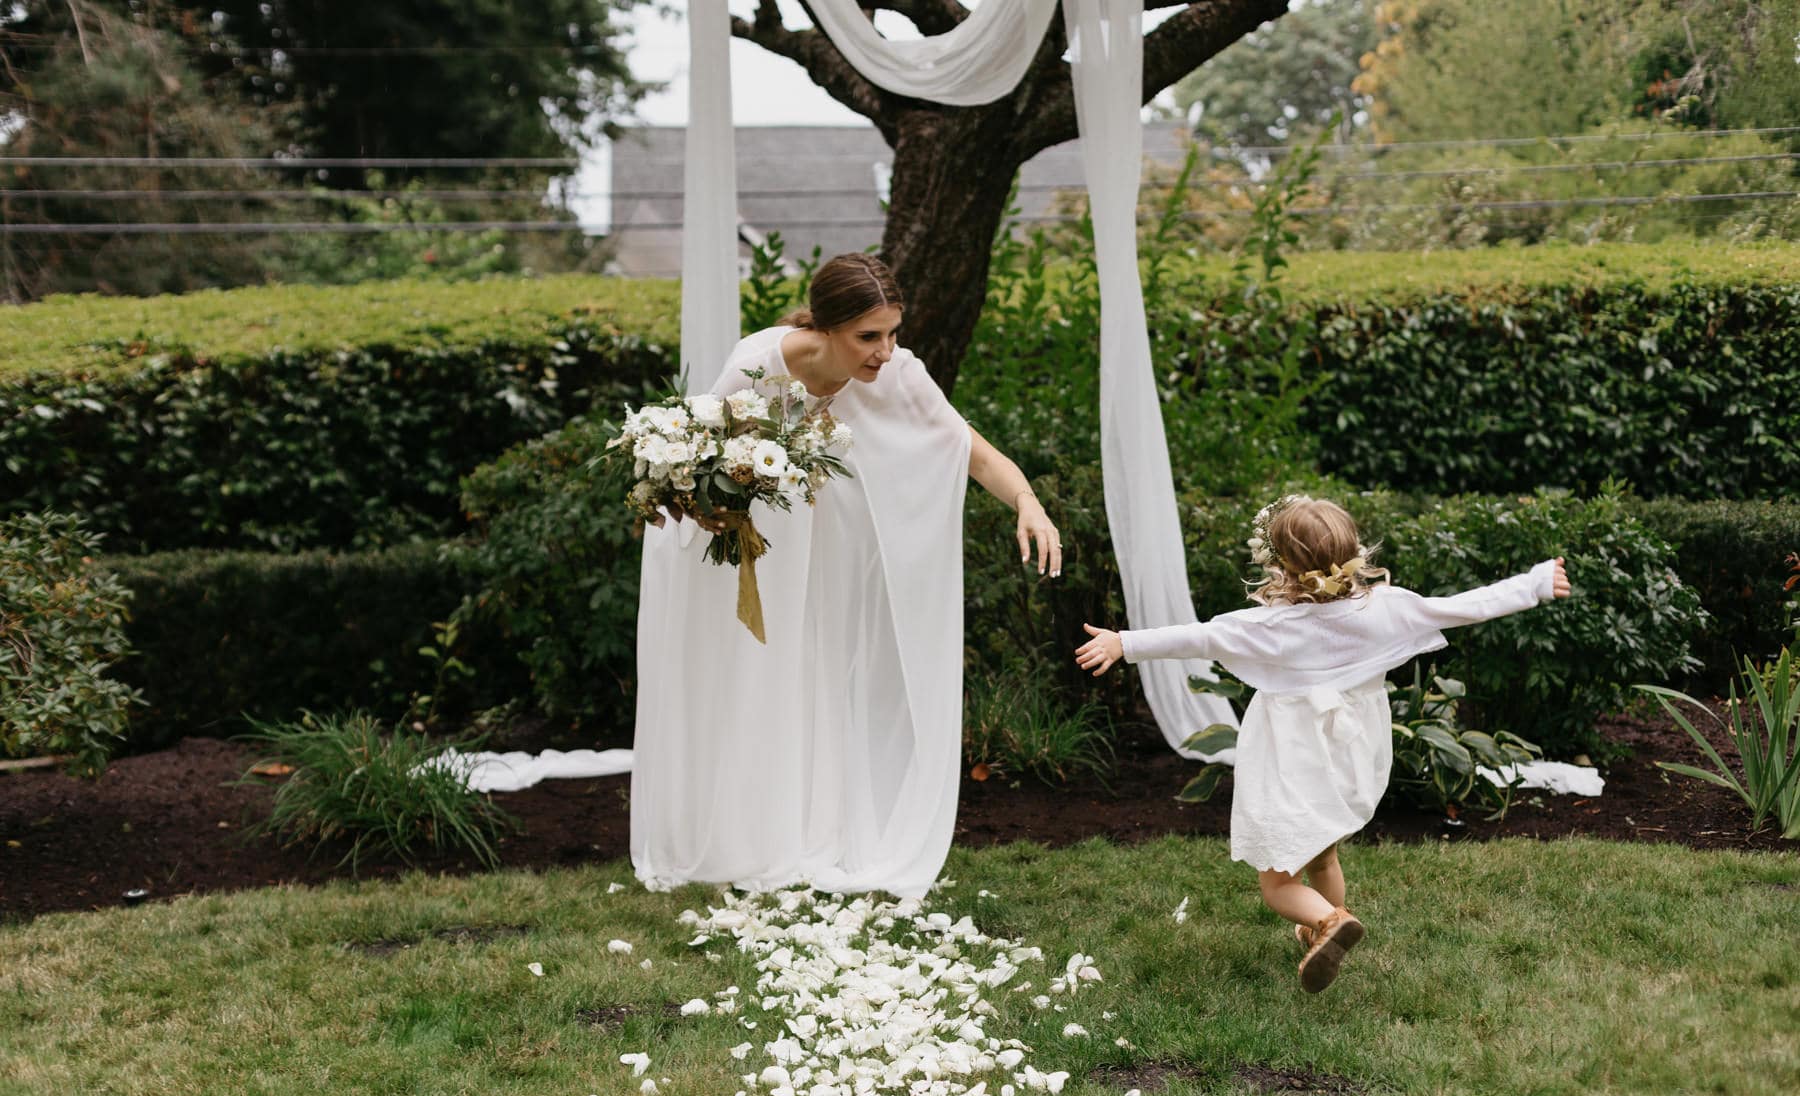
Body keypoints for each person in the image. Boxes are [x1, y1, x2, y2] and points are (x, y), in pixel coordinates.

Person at [631, 253, 1059, 898]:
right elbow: (692, 457)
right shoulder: (758, 361)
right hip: (748, 550)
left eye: (893, 332)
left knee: (819, 676)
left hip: (828, 558)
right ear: (827, 328)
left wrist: (1026, 500)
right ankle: (741, 834)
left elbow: (964, 446)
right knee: (748, 682)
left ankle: (809, 830)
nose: (886, 352)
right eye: (869, 336)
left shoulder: (898, 373)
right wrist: (707, 506)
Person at [1074, 495, 1571, 992]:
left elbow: (1198, 638)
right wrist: (1535, 583)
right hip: (1351, 750)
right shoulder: (1384, 610)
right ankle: (1324, 928)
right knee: (1323, 856)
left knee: (1277, 883)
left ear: (1283, 564)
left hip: (1292, 755)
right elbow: (1464, 607)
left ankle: (1331, 922)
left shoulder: (1269, 626)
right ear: (1353, 550)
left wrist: (1125, 643)